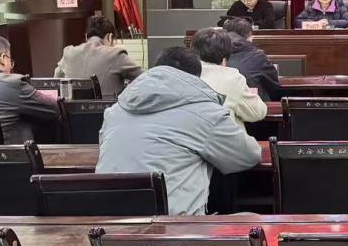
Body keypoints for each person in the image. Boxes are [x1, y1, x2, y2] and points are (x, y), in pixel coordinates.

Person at [97, 47, 262, 215]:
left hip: (108, 220)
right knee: (253, 219)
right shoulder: (205, 112)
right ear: (195, 78)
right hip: (173, 225)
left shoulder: (115, 111)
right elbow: (248, 155)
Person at [53, 15, 142, 100]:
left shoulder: (69, 53)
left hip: (73, 110)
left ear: (86, 36)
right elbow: (143, 78)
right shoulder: (115, 54)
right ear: (110, 37)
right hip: (108, 110)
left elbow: (55, 80)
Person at [191, 27, 268, 124]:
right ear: (224, 59)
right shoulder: (232, 78)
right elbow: (258, 113)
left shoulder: (182, 74)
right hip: (222, 133)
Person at [221, 18, 284, 101]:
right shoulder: (258, 57)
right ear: (250, 38)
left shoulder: (215, 53)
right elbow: (274, 87)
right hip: (251, 104)